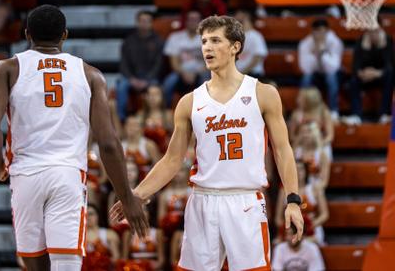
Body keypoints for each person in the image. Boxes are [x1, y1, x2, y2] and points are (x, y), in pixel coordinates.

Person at [111, 16, 304, 270]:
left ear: (235, 47)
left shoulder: (263, 93)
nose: (207, 48)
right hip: (203, 200)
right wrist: (137, 194)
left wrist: (293, 200)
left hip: (244, 200)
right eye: (204, 42)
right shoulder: (190, 101)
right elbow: (172, 160)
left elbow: (282, 150)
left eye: (215, 40)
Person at [0, 4, 148, 271]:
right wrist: (126, 197)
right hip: (67, 174)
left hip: (25, 173)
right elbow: (108, 143)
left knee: (35, 265)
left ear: (27, 35)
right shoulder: (90, 74)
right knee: (66, 263)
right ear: (65, 35)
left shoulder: (7, 69)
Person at [116, 11, 164, 122]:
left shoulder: (158, 41)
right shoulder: (128, 41)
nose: (144, 23)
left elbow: (159, 64)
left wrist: (146, 80)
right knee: (121, 86)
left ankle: (159, 118)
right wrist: (131, 79)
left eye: (147, 21)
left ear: (152, 23)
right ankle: (121, 119)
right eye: (142, 21)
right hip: (131, 77)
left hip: (151, 77)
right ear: (137, 22)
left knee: (157, 87)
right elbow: (123, 64)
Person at [345, 27, 393, 125]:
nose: (373, 34)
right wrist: (362, 73)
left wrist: (378, 73)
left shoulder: (387, 40)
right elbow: (356, 67)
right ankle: (356, 115)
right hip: (364, 77)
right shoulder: (361, 41)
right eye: (370, 31)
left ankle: (384, 114)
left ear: (380, 31)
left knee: (390, 77)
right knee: (353, 81)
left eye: (376, 31)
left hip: (381, 77)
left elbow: (390, 65)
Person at [298, 19, 343, 121]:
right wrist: (316, 56)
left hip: (333, 75)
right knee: (306, 78)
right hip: (315, 74)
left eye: (322, 32)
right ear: (312, 32)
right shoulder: (305, 44)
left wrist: (322, 53)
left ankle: (334, 111)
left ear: (327, 31)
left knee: (331, 77)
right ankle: (302, 110)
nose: (319, 35)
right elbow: (305, 69)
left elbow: (333, 68)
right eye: (317, 32)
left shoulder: (335, 42)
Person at [275, 160, 329, 245]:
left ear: (306, 171)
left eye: (300, 169)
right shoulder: (283, 190)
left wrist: (309, 226)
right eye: (295, 169)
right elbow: (277, 219)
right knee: (278, 243)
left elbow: (324, 214)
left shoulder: (315, 189)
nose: (298, 172)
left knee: (310, 242)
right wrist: (290, 228)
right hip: (290, 231)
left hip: (312, 230)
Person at [162, 10, 208, 107]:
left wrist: (196, 73)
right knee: (168, 83)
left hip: (201, 71)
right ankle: (165, 112)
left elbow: (210, 62)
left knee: (209, 82)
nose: (193, 22)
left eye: (196, 20)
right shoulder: (175, 37)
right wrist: (184, 72)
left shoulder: (207, 38)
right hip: (180, 71)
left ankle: (207, 111)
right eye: (190, 19)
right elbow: (174, 63)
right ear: (186, 21)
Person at [289, 87, 333, 161]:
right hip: (301, 144)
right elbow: (292, 136)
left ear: (310, 100)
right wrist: (302, 138)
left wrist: (319, 142)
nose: (297, 100)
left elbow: (330, 136)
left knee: (323, 152)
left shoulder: (323, 112)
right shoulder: (296, 114)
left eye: (301, 98)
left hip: (320, 144)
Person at [83, 204, 120, 271]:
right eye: (85, 214)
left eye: (91, 214)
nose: (88, 217)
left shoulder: (109, 234)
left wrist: (102, 261)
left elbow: (116, 258)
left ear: (97, 216)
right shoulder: (78, 236)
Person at [233, 10, 268, 79]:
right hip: (238, 76)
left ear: (246, 17)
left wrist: (242, 72)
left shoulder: (256, 36)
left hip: (252, 75)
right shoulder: (236, 37)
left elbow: (258, 58)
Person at [139, 84, 173, 153]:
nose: (152, 98)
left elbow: (175, 136)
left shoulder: (168, 115)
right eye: (149, 94)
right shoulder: (140, 115)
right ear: (145, 97)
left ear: (162, 97)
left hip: (165, 152)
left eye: (156, 94)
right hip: (146, 153)